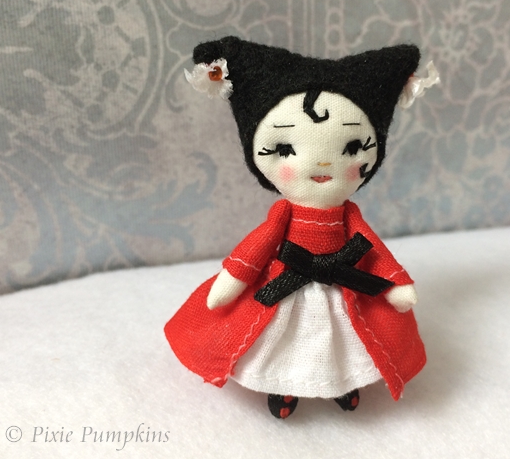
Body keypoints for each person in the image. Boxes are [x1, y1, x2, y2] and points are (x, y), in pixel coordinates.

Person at [165, 36, 437, 419]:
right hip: (286, 285)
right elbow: (258, 246)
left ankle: (344, 382)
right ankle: (284, 388)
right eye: (285, 150)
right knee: (283, 341)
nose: (322, 166)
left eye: (351, 148)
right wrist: (235, 278)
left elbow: (372, 249)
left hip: (344, 286)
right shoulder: (283, 214)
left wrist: (395, 282)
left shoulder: (349, 216)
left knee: (345, 339)